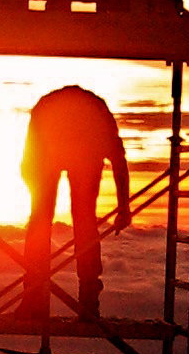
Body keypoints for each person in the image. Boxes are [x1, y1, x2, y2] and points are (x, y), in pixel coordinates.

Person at [19, 87, 132, 325]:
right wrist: (124, 208)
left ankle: (36, 299)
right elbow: (119, 162)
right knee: (81, 219)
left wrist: (124, 208)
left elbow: (28, 164)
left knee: (56, 219)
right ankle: (85, 302)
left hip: (67, 133)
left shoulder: (87, 113)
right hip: (65, 132)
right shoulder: (92, 112)